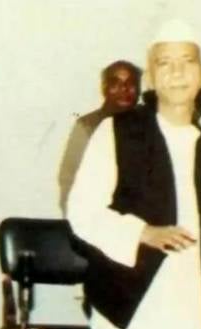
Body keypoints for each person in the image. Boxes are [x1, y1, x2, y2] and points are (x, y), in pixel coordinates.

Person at [67, 21, 201, 329]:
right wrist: (142, 232)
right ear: (151, 76)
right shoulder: (118, 131)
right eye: (165, 63)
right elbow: (82, 209)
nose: (177, 72)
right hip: (136, 293)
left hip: (200, 288)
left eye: (186, 61)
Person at [57, 60, 141, 215]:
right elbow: (69, 177)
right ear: (104, 88)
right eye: (116, 83)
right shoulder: (87, 125)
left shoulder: (148, 123)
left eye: (130, 84)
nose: (124, 89)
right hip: (97, 218)